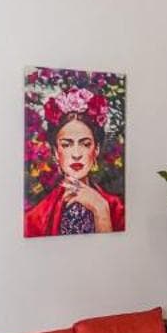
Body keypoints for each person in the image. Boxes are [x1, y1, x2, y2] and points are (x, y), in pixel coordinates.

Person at [24, 99, 125, 237]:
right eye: (66, 145)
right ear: (56, 152)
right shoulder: (36, 218)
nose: (76, 154)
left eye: (85, 144)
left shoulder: (116, 208)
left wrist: (101, 210)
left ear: (96, 150)